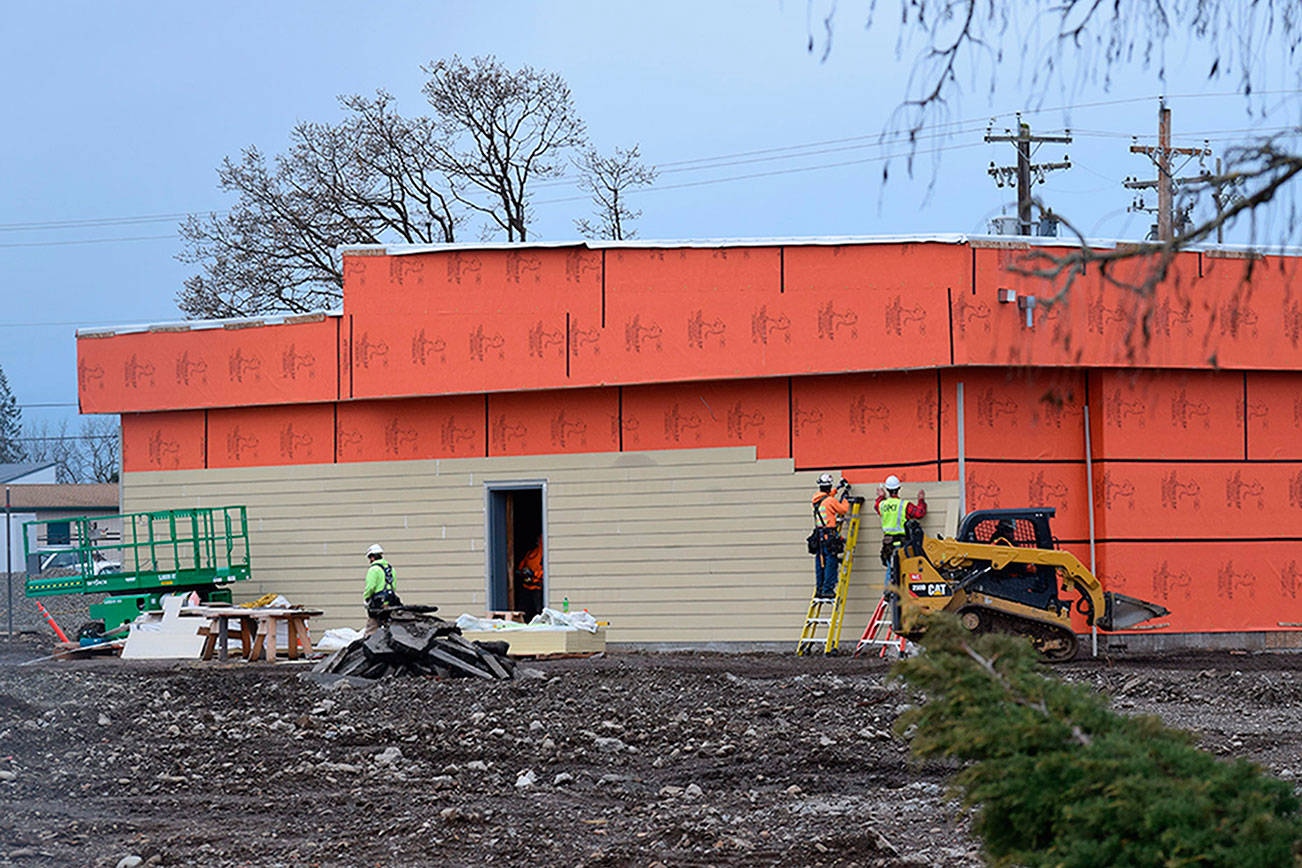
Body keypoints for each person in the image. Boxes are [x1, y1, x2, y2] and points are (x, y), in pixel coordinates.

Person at [876, 475, 927, 589]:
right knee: (904, 569)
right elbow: (919, 513)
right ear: (899, 489)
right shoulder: (904, 505)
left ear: (887, 489)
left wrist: (880, 496)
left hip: (888, 544)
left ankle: (888, 593)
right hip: (901, 543)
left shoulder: (882, 505)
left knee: (891, 571)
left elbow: (877, 507)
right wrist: (921, 500)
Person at [810, 473, 851, 601]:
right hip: (829, 536)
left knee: (820, 563)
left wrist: (837, 489)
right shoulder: (831, 501)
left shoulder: (816, 500)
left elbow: (827, 498)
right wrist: (845, 498)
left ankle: (820, 589)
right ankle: (828, 590)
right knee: (830, 563)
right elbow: (843, 510)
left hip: (819, 536)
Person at [362, 543, 400, 636]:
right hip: (391, 602)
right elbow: (393, 586)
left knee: (372, 627)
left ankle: (369, 641)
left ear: (372, 557)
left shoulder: (374, 569)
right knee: (388, 626)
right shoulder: (391, 569)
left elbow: (370, 587)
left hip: (378, 604)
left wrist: (366, 598)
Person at [515, 536, 544, 616]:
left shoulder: (542, 554)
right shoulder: (530, 553)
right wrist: (524, 572)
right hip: (527, 586)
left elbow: (544, 571)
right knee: (525, 609)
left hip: (537, 587)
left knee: (538, 609)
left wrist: (533, 574)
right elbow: (520, 568)